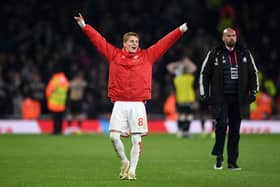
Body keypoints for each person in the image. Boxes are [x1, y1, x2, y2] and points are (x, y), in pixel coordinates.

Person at [74, 13, 188, 180]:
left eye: (136, 41)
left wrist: (179, 31)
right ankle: (124, 161)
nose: (135, 43)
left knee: (136, 139)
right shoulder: (114, 55)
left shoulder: (147, 56)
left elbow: (164, 43)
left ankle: (133, 170)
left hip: (137, 105)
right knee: (113, 136)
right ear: (124, 44)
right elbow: (98, 41)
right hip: (119, 103)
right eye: (132, 41)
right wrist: (85, 26)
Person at [199, 28, 259, 170]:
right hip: (221, 98)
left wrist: (254, 91)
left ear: (236, 37)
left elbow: (253, 73)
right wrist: (204, 94)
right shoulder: (214, 53)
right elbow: (204, 74)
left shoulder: (244, 53)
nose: (231, 38)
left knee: (235, 130)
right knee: (221, 126)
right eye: (228, 36)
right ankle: (219, 157)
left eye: (233, 35)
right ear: (223, 38)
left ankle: (232, 162)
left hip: (239, 99)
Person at [167, 57, 197, 138]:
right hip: (187, 99)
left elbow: (169, 67)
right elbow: (194, 68)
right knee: (186, 116)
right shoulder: (190, 78)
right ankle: (184, 131)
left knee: (184, 116)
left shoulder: (178, 79)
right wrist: (185, 62)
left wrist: (179, 64)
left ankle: (183, 131)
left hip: (183, 99)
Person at [46, 68, 69, 135]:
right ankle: (60, 130)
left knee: (55, 117)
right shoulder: (64, 79)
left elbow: (49, 90)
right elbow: (66, 89)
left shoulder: (55, 79)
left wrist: (48, 97)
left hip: (54, 101)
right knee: (60, 117)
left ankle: (55, 131)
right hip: (62, 101)